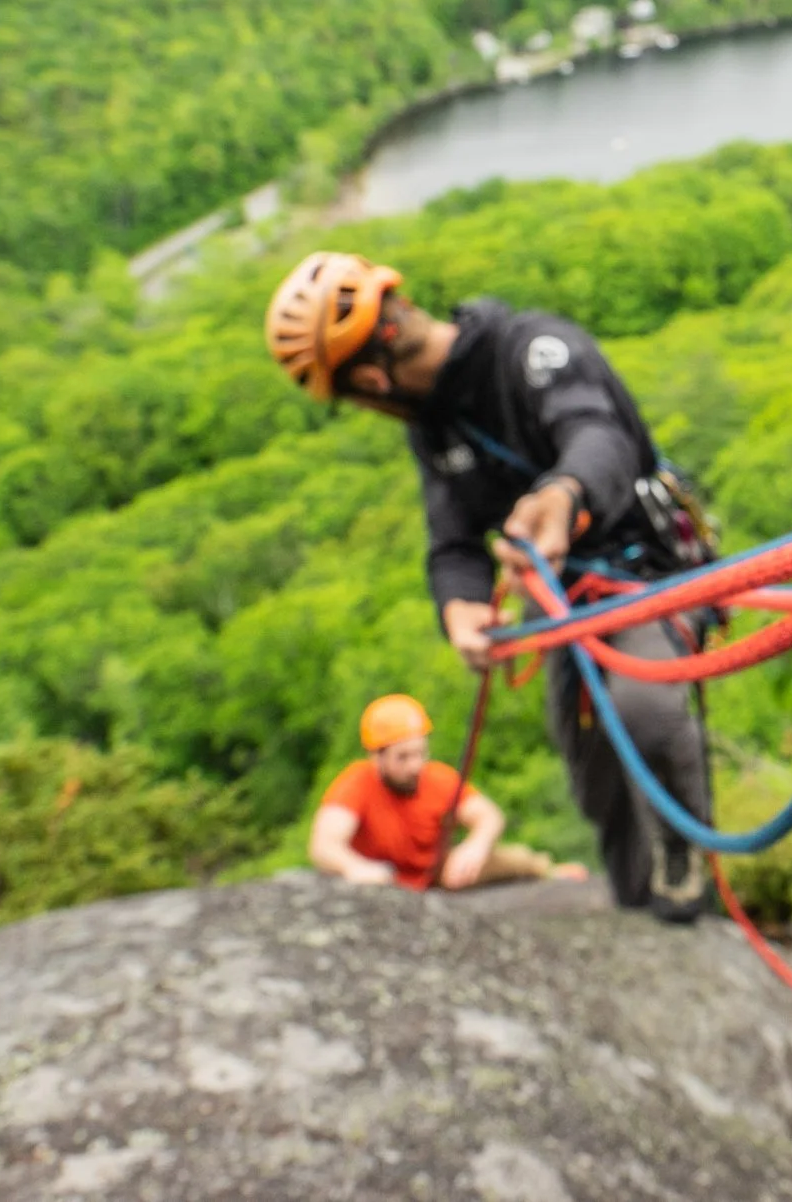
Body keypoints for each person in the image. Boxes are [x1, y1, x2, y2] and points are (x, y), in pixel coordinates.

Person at [267, 252, 718, 922]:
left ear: (368, 378)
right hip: (562, 598)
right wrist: (460, 606)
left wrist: (566, 492)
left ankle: (686, 865)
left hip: (645, 565)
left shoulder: (533, 349)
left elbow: (599, 435)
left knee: (644, 709)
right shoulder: (436, 430)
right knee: (591, 770)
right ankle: (632, 896)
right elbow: (452, 542)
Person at [309, 693, 587, 890]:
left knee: (511, 859)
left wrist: (474, 847)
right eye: (402, 757)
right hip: (384, 879)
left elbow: (488, 816)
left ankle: (551, 872)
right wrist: (354, 868)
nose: (415, 765)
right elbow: (324, 844)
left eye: (420, 753)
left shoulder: (437, 778)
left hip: (437, 874)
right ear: (376, 757)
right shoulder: (356, 783)